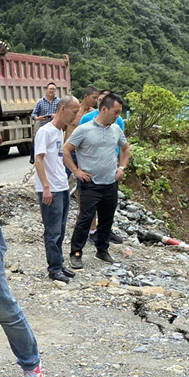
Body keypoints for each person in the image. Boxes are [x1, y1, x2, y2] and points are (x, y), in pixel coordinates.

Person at [64, 93, 130, 270]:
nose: (117, 116)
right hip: (90, 184)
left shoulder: (116, 129)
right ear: (104, 109)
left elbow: (125, 148)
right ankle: (76, 253)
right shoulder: (84, 129)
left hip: (110, 183)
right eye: (116, 112)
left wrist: (121, 168)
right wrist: (76, 171)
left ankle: (102, 250)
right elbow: (66, 149)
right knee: (85, 219)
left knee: (107, 219)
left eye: (119, 112)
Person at [33, 96, 81, 283]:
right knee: (52, 231)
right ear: (62, 109)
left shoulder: (60, 131)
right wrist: (45, 187)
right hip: (50, 188)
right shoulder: (45, 132)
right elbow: (38, 160)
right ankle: (53, 268)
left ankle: (59, 263)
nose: (75, 116)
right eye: (74, 112)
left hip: (62, 186)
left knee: (60, 229)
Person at [76, 89, 126, 245]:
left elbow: (123, 145)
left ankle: (104, 235)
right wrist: (77, 169)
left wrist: (121, 167)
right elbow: (75, 144)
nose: (100, 102)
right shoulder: (86, 119)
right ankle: (91, 232)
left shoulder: (117, 121)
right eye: (99, 99)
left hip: (110, 169)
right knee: (88, 208)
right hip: (89, 171)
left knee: (108, 207)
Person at [29, 81, 59, 164]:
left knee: (54, 147)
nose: (52, 91)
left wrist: (55, 115)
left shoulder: (59, 102)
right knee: (38, 144)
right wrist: (38, 118)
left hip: (55, 128)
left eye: (53, 89)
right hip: (43, 128)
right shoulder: (40, 102)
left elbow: (63, 113)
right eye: (50, 89)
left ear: (55, 91)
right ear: (46, 90)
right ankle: (34, 160)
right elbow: (33, 114)